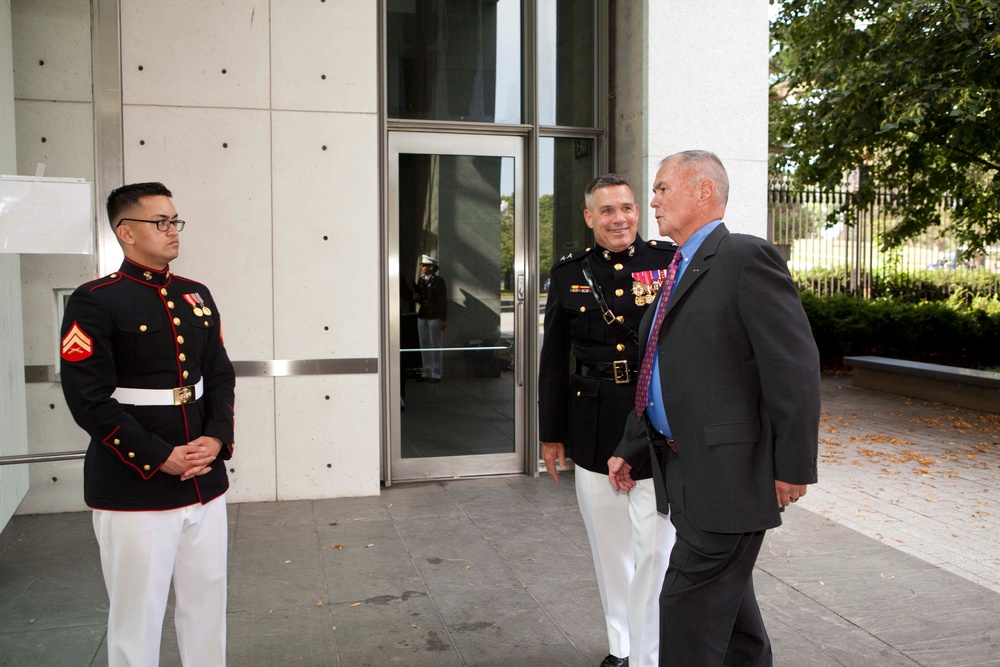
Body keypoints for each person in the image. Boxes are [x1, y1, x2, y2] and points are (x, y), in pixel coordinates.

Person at [608, 151, 820, 666]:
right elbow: (660, 370)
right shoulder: (676, 265)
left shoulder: (745, 257)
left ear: (703, 192)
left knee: (686, 608)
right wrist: (632, 447)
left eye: (661, 189)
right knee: (732, 616)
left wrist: (792, 466)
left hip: (730, 474)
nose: (651, 202)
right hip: (685, 470)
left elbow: (792, 369)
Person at [60, 182, 236, 666]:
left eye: (175, 220)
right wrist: (159, 456)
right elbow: (88, 399)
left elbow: (219, 374)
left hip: (204, 479)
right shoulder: (94, 300)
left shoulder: (195, 294)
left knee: (207, 604)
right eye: (160, 222)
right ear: (127, 232)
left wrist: (217, 438)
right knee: (137, 616)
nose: (173, 230)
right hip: (133, 483)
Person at [538, 173, 677, 667]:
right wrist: (550, 434)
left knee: (656, 549)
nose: (620, 218)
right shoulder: (568, 272)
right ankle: (622, 646)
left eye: (628, 207)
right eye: (608, 210)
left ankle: (648, 651)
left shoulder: (667, 262)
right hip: (594, 420)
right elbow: (553, 358)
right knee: (609, 548)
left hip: (655, 423)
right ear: (589, 217)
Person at [414, 254, 448, 382]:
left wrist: (443, 319)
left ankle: (436, 373)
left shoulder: (439, 281)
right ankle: (426, 371)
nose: (422, 267)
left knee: (435, 344)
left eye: (424, 265)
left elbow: (442, 300)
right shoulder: (421, 281)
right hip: (423, 315)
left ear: (432, 267)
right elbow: (422, 299)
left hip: (434, 316)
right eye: (422, 265)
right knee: (424, 344)